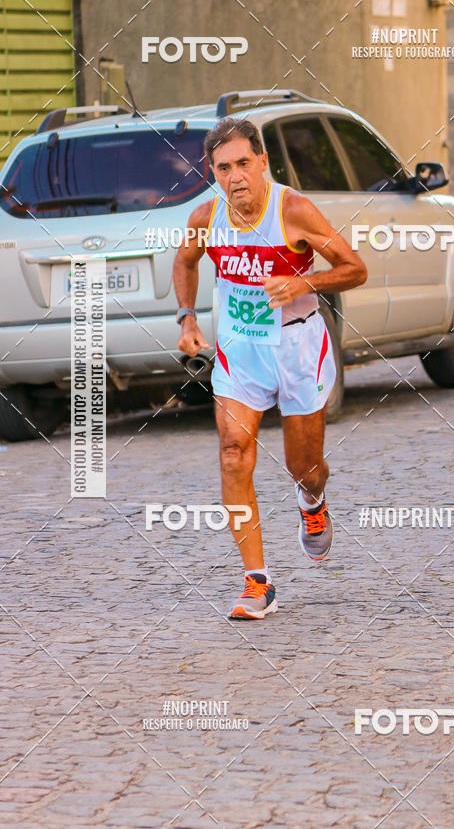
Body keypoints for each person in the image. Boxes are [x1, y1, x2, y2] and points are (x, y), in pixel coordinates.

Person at [173, 117, 367, 619]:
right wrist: (187, 317)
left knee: (304, 466)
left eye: (243, 163)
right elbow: (186, 262)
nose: (236, 176)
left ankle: (313, 501)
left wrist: (305, 284)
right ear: (211, 171)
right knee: (233, 455)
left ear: (262, 162)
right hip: (240, 353)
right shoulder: (205, 217)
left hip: (298, 350)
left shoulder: (294, 210)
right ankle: (257, 582)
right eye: (223, 167)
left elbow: (355, 268)